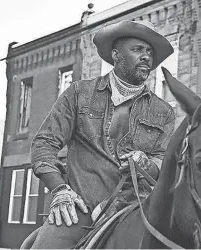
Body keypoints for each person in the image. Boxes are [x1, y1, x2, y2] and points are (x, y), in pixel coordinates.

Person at [29, 20, 176, 249]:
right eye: (138, 49)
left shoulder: (164, 111)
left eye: (149, 52)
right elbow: (44, 143)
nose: (147, 56)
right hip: (80, 208)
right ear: (116, 55)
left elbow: (164, 160)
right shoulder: (79, 93)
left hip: (135, 209)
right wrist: (59, 189)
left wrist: (147, 164)